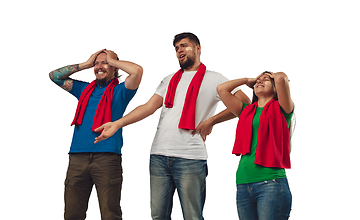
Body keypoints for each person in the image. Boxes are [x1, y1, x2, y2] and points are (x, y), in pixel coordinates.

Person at [93, 33, 251, 220]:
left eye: (184, 46)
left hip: (190, 157)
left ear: (198, 48)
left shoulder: (215, 79)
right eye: (176, 48)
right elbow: (149, 107)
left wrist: (211, 120)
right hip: (159, 156)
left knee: (193, 216)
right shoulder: (169, 80)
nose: (179, 50)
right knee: (159, 216)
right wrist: (117, 124)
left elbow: (245, 106)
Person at [49, 49, 143, 220]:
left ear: (115, 68)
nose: (100, 66)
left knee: (110, 215)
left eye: (105, 62)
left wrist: (112, 61)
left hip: (107, 159)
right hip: (77, 157)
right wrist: (86, 63)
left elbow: (137, 71)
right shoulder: (83, 89)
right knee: (72, 214)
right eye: (97, 63)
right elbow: (54, 76)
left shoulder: (121, 91)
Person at [217, 72, 294, 220]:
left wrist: (274, 76)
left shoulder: (283, 109)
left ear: (276, 87)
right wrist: (247, 80)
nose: (260, 81)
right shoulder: (246, 111)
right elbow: (221, 89)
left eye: (266, 80)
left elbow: (281, 78)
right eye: (258, 80)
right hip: (243, 184)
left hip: (271, 183)